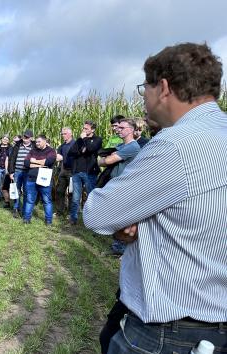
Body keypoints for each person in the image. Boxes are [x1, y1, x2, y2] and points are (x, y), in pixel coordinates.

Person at [84, 42, 227, 354]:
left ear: (163, 87)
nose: (144, 98)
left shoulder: (174, 145)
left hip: (170, 331)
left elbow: (97, 213)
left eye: (143, 88)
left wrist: (131, 220)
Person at [97, 118, 141, 256]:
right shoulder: (123, 146)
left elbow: (106, 161)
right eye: (118, 127)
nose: (118, 130)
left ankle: (120, 250)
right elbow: (104, 159)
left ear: (131, 130)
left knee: (121, 218)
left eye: (122, 128)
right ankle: (118, 247)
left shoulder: (132, 147)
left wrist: (109, 158)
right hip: (116, 185)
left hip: (125, 188)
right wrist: (108, 157)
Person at [67, 120, 102, 225]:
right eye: (83, 128)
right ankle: (73, 219)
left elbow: (91, 148)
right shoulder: (80, 140)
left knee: (91, 196)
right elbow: (71, 152)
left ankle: (92, 221)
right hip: (77, 172)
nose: (84, 130)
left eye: (86, 128)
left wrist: (85, 139)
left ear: (93, 130)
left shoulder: (97, 139)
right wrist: (81, 149)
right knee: (75, 198)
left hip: (90, 172)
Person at [23, 135, 57, 224]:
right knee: (30, 200)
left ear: (45, 141)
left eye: (39, 142)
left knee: (46, 201)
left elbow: (49, 162)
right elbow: (26, 163)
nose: (37, 143)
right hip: (31, 179)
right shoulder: (32, 151)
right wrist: (41, 164)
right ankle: (26, 219)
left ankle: (48, 221)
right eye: (36, 142)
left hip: (44, 179)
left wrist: (34, 161)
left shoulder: (51, 151)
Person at [8, 129, 34, 218]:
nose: (25, 138)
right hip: (17, 171)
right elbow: (11, 159)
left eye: (27, 137)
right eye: (24, 136)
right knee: (16, 191)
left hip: (28, 172)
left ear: (31, 138)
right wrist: (11, 172)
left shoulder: (34, 146)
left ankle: (24, 210)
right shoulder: (17, 145)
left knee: (27, 191)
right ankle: (15, 208)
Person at [55, 127, 75, 217]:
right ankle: (59, 211)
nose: (63, 135)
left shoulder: (75, 144)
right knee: (59, 191)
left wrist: (63, 158)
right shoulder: (62, 146)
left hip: (73, 171)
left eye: (65, 133)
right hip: (63, 170)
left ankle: (71, 213)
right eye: (62, 134)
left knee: (71, 193)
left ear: (71, 134)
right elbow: (58, 155)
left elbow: (76, 158)